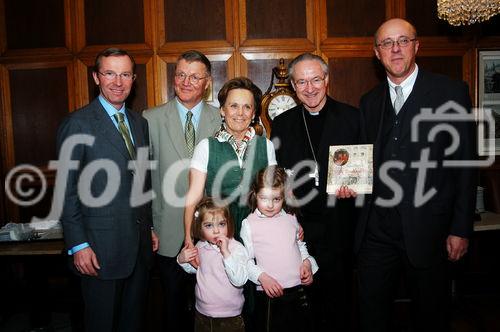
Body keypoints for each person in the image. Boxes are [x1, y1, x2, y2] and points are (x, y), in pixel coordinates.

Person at [353, 18, 477, 331]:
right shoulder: (369, 102)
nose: (395, 49)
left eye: (403, 41)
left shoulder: (450, 93)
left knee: (431, 316)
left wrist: (460, 228)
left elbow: (464, 163)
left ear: (416, 46)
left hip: (430, 231)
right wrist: (349, 183)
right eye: (386, 43)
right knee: (370, 315)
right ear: (377, 53)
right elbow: (364, 163)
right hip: (376, 234)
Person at [56, 47, 159, 332]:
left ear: (133, 78)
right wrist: (78, 245)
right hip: (98, 250)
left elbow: (142, 182)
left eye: (125, 74)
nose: (118, 81)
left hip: (138, 248)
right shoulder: (77, 123)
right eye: (109, 73)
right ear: (96, 78)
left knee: (133, 323)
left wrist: (148, 227)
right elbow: (66, 190)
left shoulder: (140, 123)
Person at [270, 53, 360, 331]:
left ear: (327, 81)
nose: (309, 88)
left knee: (341, 301)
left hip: (343, 225)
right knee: (305, 303)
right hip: (301, 227)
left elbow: (367, 169)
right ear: (294, 87)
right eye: (302, 82)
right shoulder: (283, 123)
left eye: (316, 80)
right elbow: (278, 176)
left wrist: (356, 188)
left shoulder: (352, 117)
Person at [143, 50, 221, 331]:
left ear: (207, 82)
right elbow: (142, 179)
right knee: (173, 310)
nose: (186, 82)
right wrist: (148, 226)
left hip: (214, 231)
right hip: (167, 231)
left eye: (194, 76)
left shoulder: (222, 119)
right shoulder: (149, 119)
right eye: (180, 75)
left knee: (213, 308)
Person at [184, 77, 277, 246]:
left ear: (254, 113)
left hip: (258, 234)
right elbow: (194, 197)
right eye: (233, 106)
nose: (240, 113)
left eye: (246, 107)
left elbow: (274, 192)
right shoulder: (206, 147)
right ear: (222, 110)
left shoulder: (266, 146)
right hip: (218, 234)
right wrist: (189, 237)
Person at [241, 166, 319, 332]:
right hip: (271, 297)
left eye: (276, 199)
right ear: (255, 194)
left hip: (299, 292)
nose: (270, 205)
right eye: (264, 198)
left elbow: (300, 246)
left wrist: (308, 265)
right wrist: (262, 277)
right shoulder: (249, 223)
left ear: (284, 197)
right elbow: (246, 261)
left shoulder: (290, 217)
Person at [177, 197, 248, 332]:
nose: (216, 231)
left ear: (229, 223)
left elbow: (239, 280)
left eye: (221, 224)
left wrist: (226, 253)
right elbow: (195, 269)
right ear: (200, 227)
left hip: (230, 318)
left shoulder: (236, 248)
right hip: (201, 315)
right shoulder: (201, 246)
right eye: (209, 225)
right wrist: (181, 259)